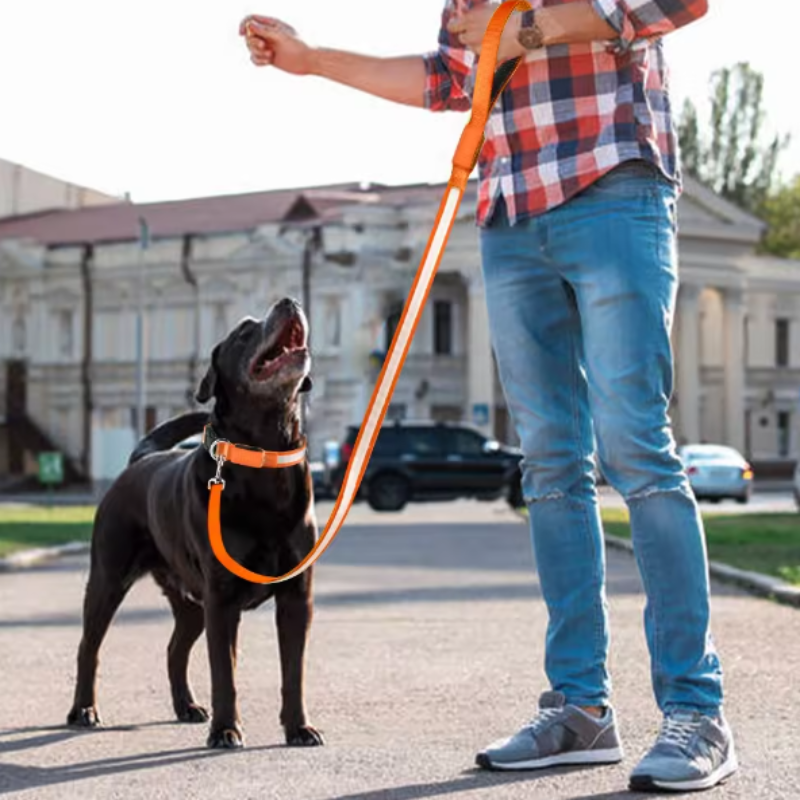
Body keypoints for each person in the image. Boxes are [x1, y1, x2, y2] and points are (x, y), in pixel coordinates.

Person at [240, 1, 736, 792]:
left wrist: (530, 29)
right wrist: (313, 60)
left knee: (637, 448)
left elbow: (677, 4)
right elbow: (449, 77)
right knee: (548, 466)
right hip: (510, 219)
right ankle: (580, 709)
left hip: (614, 189)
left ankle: (697, 712)